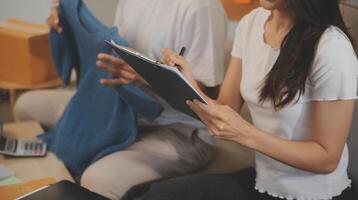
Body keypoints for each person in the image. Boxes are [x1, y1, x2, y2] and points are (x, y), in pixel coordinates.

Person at [141, 0, 358, 200]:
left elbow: (327, 158)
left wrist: (246, 133)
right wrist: (185, 81)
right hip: (262, 181)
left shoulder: (332, 48)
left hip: (313, 194)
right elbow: (227, 108)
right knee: (153, 194)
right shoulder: (252, 23)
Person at [14, 0, 228, 199]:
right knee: (26, 106)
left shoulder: (200, 8)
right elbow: (118, 51)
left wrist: (145, 76)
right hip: (124, 107)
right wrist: (63, 18)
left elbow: (208, 100)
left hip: (179, 129)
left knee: (97, 180)